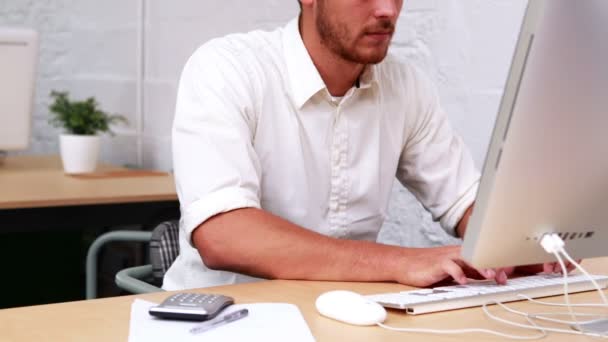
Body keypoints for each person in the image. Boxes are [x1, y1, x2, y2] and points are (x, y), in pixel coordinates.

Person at [164, 0, 570, 290]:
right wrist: (401, 261)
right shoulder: (227, 69)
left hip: (347, 315)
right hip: (229, 317)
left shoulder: (405, 87)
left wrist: (524, 242)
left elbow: (465, 201)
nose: (387, 11)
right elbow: (223, 234)